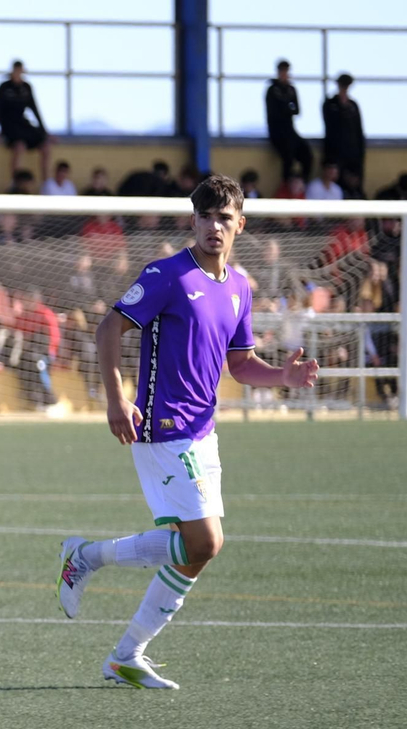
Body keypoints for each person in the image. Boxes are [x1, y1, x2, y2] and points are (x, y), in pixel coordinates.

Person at [58, 174, 320, 690]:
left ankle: (117, 633)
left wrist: (283, 377)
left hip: (204, 432)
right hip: (162, 426)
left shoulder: (240, 286)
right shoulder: (168, 275)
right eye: (206, 216)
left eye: (225, 218)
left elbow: (241, 366)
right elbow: (109, 327)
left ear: (240, 225)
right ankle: (112, 621)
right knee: (206, 541)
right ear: (192, 221)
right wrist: (116, 398)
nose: (214, 226)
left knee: (196, 548)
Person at [0, 60, 52, 181]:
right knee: (19, 147)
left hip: (23, 123)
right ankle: (16, 184)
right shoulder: (4, 87)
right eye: (16, 71)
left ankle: (46, 185)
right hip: (8, 125)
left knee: (45, 146)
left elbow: (35, 109)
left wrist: (44, 132)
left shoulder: (26, 88)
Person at [266, 60, 312, 182]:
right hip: (277, 132)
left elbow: (297, 110)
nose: (284, 74)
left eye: (286, 71)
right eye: (282, 71)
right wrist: (287, 108)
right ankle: (286, 185)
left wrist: (285, 108)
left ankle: (302, 183)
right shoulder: (272, 90)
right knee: (288, 155)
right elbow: (274, 113)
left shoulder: (291, 90)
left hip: (290, 130)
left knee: (306, 153)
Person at [322, 74, 365, 183]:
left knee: (352, 184)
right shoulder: (330, 104)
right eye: (343, 85)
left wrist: (360, 154)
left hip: (353, 153)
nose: (345, 88)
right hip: (335, 152)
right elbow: (330, 125)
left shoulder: (353, 106)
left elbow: (359, 130)